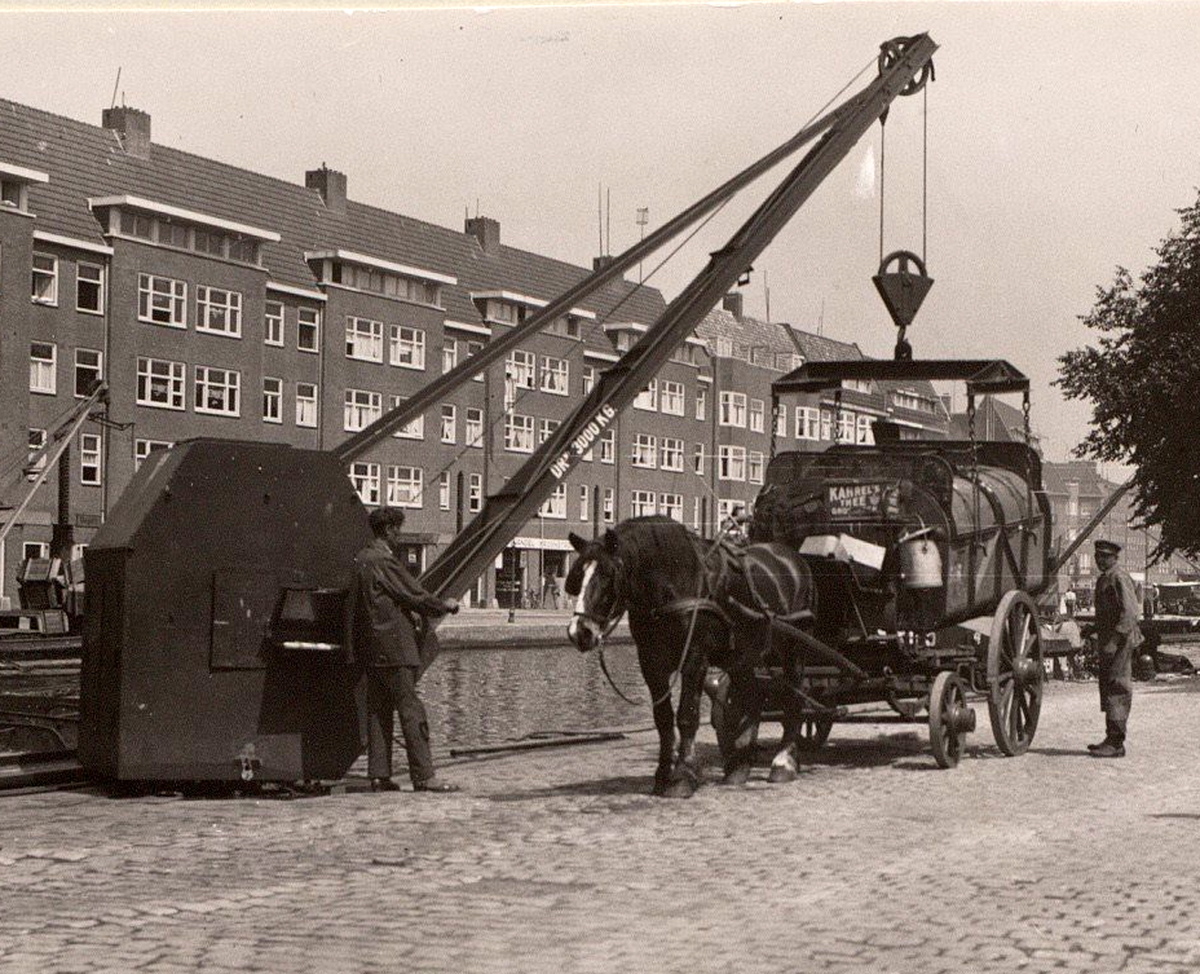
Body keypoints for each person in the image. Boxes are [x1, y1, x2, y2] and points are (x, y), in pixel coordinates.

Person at [353, 506, 460, 793]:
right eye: (397, 529)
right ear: (388, 530)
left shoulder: (361, 559)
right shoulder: (384, 561)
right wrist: (443, 605)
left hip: (372, 649)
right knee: (411, 709)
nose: (399, 535)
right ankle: (424, 776)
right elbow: (413, 593)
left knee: (378, 711)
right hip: (396, 648)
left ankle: (379, 776)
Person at [1081, 539, 1142, 758]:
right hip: (1110, 639)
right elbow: (1108, 613)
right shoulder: (1104, 579)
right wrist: (1093, 628)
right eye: (1098, 556)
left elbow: (1130, 613)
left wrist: (1115, 641)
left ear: (1114, 558)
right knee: (1109, 685)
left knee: (1118, 685)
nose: (1100, 560)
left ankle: (1116, 743)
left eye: (1104, 556)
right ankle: (1111, 738)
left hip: (1120, 640)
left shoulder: (1119, 577)